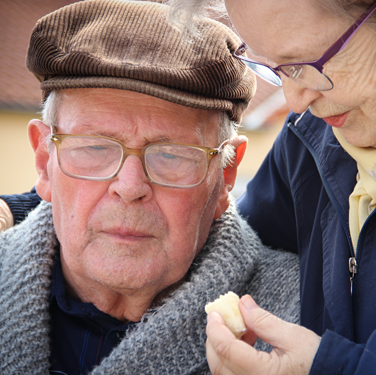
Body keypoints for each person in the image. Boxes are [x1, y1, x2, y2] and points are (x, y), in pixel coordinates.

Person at [165, 0, 376, 374]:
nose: (295, 101)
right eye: (275, 68)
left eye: (311, 63)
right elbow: (242, 250)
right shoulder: (307, 140)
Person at [0, 0, 300, 374]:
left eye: (172, 155)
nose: (129, 187)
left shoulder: (299, 321)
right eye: (94, 147)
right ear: (45, 161)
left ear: (225, 175)